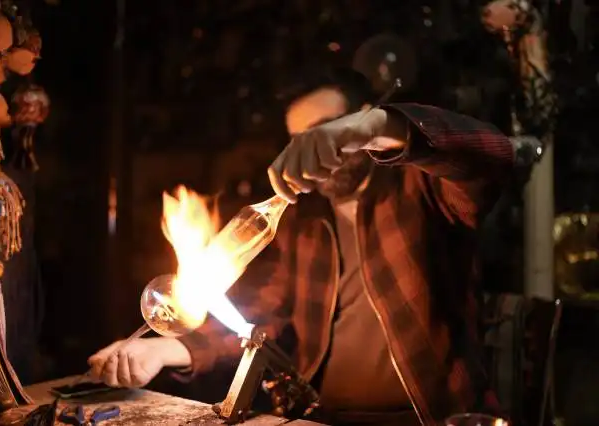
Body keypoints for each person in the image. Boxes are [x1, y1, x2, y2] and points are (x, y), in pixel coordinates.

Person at [88, 69, 514, 426]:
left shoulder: (423, 188)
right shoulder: (304, 221)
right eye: (299, 137)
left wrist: (377, 128)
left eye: (325, 130)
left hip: (428, 417)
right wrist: (165, 349)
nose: (312, 148)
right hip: (323, 417)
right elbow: (264, 313)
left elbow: (493, 154)